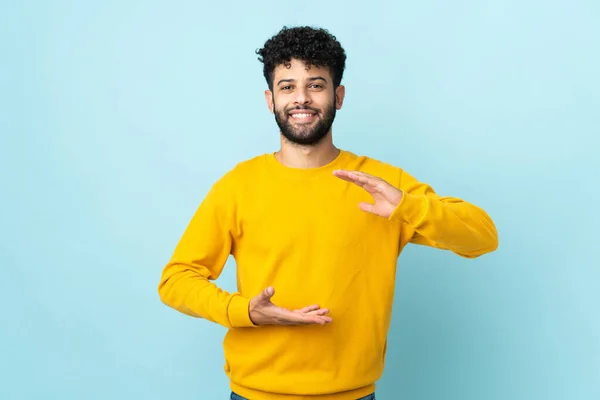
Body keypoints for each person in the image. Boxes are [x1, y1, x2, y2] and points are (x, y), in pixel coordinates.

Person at [158, 26, 498, 400]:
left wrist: (408, 207)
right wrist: (245, 312)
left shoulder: (382, 183)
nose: (301, 98)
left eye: (315, 85)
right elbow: (176, 280)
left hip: (353, 394)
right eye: (288, 86)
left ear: (338, 96)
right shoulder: (238, 185)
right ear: (270, 100)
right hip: (254, 394)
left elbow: (482, 237)